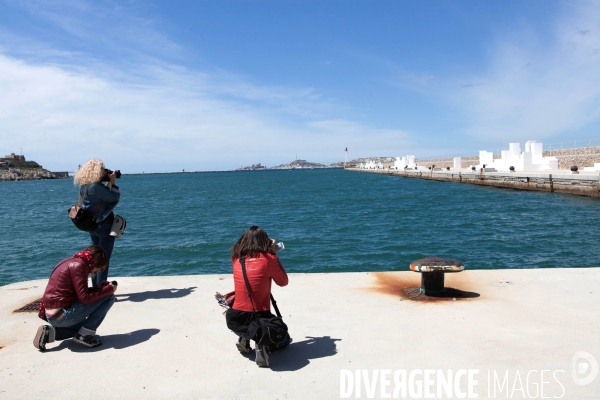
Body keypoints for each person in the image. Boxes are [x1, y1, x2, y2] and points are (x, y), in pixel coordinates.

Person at [225, 226, 290, 367]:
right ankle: (262, 345)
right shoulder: (268, 259)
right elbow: (283, 282)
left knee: (248, 319)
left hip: (235, 318)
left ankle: (243, 338)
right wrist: (273, 254)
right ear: (265, 241)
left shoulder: (236, 258)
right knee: (285, 340)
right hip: (260, 317)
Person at [34, 245, 117, 351]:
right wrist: (108, 290)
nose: (95, 272)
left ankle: (49, 333)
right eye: (99, 269)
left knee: (81, 328)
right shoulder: (80, 266)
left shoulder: (72, 260)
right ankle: (85, 336)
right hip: (62, 314)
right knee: (109, 297)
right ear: (97, 263)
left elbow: (76, 293)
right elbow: (85, 299)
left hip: (51, 313)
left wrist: (96, 289)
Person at [73, 159, 120, 287]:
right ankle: (101, 289)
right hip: (103, 225)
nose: (104, 172)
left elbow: (99, 200)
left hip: (92, 226)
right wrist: (114, 183)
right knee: (104, 259)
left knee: (95, 258)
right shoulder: (95, 187)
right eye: (102, 169)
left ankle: (95, 287)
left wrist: (108, 183)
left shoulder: (85, 186)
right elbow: (114, 198)